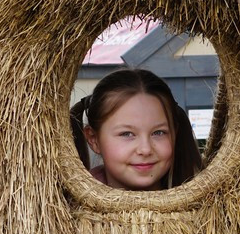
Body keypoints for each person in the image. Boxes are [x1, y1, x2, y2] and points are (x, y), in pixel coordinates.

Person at [70, 69, 202, 191]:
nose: (145, 150)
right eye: (127, 134)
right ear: (94, 140)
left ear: (174, 134)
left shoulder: (202, 203)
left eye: (158, 132)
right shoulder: (66, 210)